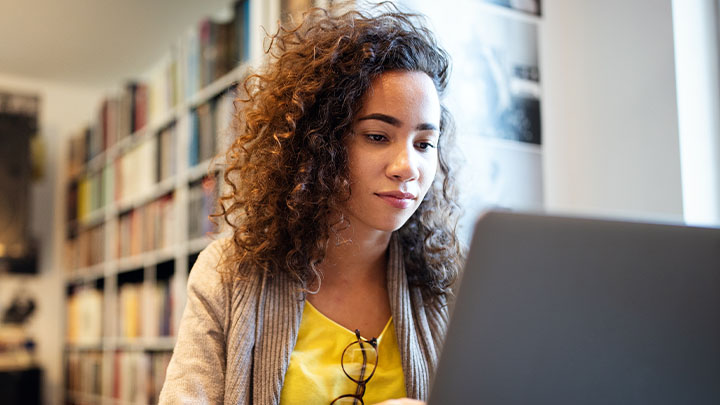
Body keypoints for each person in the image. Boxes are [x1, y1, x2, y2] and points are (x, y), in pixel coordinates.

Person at [159, 3, 463, 404]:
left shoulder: (452, 285)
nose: (408, 167)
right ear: (319, 142)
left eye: (424, 144)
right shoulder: (226, 274)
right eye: (376, 136)